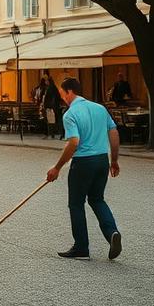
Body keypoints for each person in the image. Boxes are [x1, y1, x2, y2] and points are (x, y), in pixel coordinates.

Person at [45, 77, 122, 260]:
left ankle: (81, 248)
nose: (62, 97)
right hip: (102, 160)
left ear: (69, 91)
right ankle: (112, 233)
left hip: (83, 163)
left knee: (76, 204)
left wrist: (57, 168)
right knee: (97, 199)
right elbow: (114, 133)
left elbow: (73, 142)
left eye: (63, 93)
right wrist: (114, 160)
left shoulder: (70, 114)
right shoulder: (100, 108)